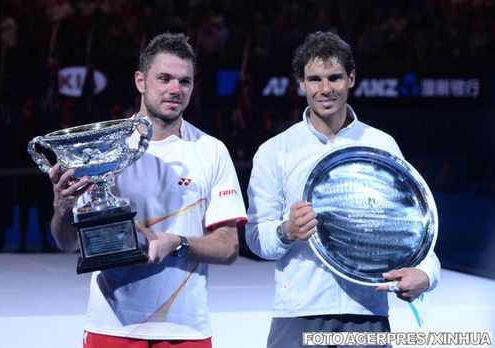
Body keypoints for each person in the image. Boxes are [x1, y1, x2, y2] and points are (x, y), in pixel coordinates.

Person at [49, 32, 247, 348]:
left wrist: (176, 243)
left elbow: (228, 248)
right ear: (141, 81)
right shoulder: (101, 152)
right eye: (164, 78)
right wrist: (63, 208)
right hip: (111, 326)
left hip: (185, 329)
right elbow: (68, 243)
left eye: (185, 81)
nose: (175, 89)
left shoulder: (211, 151)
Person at [245, 31, 441, 348]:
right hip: (299, 313)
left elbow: (412, 229)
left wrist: (428, 275)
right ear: (301, 84)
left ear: (351, 78)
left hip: (367, 312)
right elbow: (256, 237)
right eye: (315, 79)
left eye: (334, 77)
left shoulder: (381, 145)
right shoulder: (275, 151)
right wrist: (287, 231)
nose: (325, 89)